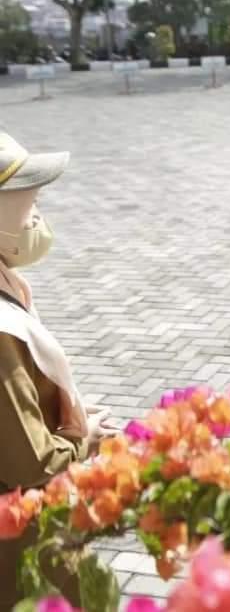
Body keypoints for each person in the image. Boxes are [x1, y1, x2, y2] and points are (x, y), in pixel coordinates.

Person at [0, 132, 116, 610]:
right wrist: (81, 437)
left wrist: (55, 412)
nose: (37, 208)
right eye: (28, 195)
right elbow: (29, 462)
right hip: (21, 539)